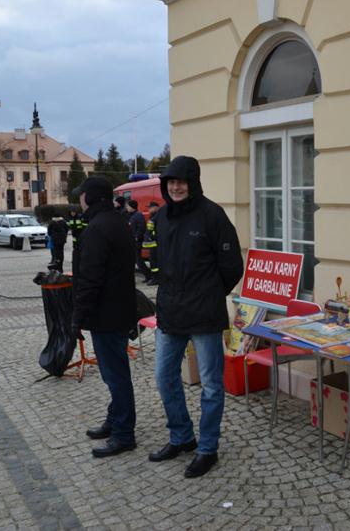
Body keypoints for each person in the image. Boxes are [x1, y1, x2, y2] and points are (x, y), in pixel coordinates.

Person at [150, 155, 243, 478]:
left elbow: (233, 267)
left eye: (181, 181)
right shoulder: (161, 216)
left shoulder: (212, 216)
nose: (175, 187)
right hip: (170, 313)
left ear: (193, 183)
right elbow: (156, 260)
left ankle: (207, 449)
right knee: (164, 377)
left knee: (212, 386)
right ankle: (182, 436)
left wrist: (209, 294)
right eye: (171, 182)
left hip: (204, 315)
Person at [71, 177, 138, 458]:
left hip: (107, 313)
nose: (78, 201)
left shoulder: (98, 228)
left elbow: (90, 278)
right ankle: (115, 421)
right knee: (116, 372)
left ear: (89, 197)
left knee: (116, 375)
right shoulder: (117, 221)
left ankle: (123, 434)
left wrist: (77, 316)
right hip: (120, 309)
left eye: (80, 195)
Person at [126, 199, 151, 283]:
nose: (127, 207)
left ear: (132, 207)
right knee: (137, 260)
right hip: (133, 240)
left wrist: (137, 237)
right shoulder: (132, 215)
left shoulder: (138, 215)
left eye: (128, 206)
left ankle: (148, 275)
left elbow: (142, 227)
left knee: (138, 260)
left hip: (137, 241)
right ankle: (148, 276)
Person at [143, 201, 161, 286]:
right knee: (153, 262)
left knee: (155, 263)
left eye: (150, 207)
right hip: (153, 244)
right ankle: (156, 278)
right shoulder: (154, 216)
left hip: (156, 244)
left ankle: (156, 279)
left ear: (156, 207)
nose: (149, 209)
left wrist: (152, 237)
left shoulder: (159, 217)